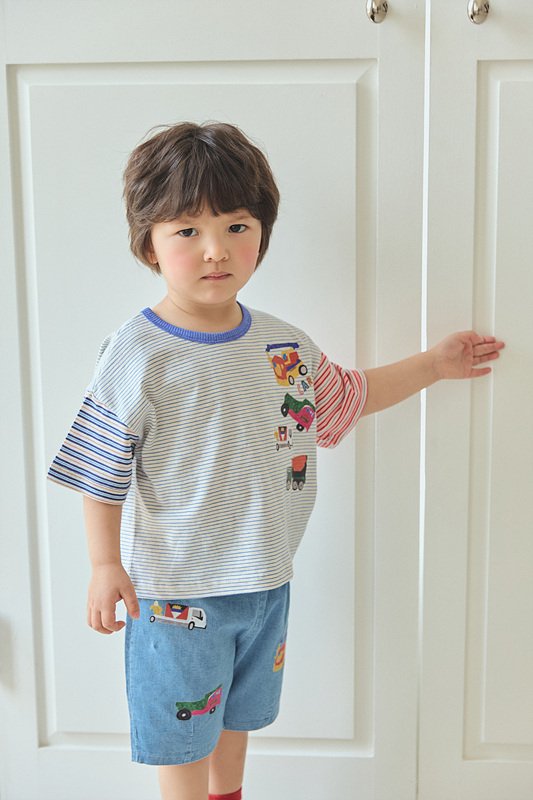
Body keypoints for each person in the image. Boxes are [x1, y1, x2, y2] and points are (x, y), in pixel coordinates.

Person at [47, 121, 504, 800]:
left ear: (261, 233)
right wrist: (104, 564)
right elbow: (99, 467)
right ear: (148, 244)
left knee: (237, 720)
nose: (215, 250)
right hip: (178, 594)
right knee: (183, 736)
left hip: (264, 582)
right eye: (187, 231)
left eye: (236, 226)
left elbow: (349, 397)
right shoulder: (138, 352)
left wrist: (433, 365)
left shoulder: (282, 346)